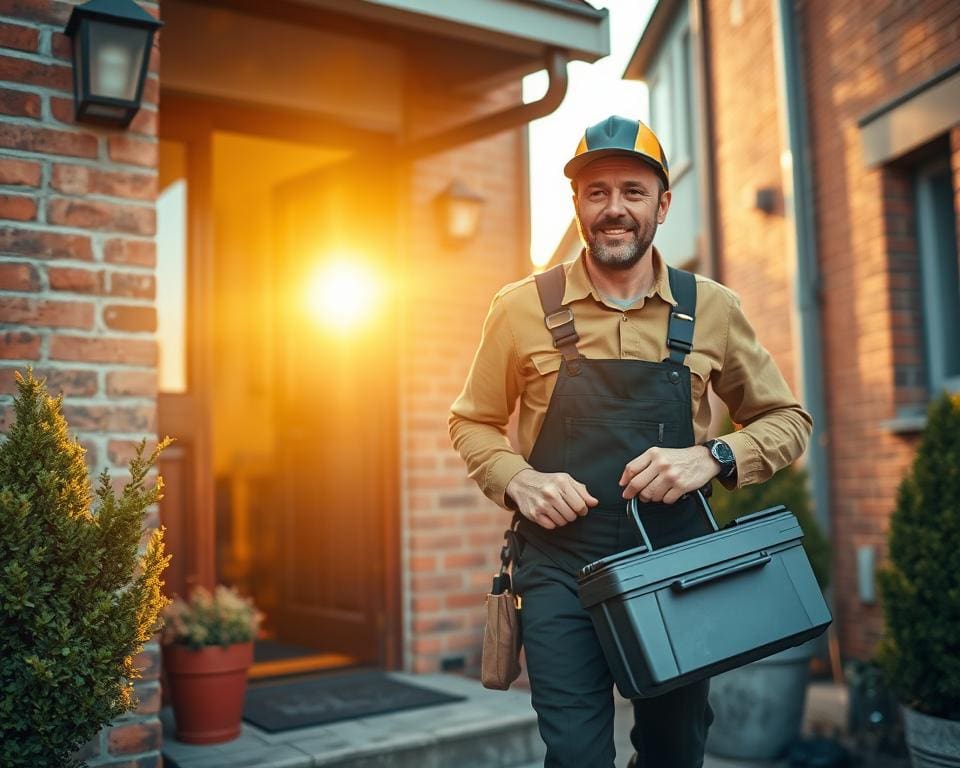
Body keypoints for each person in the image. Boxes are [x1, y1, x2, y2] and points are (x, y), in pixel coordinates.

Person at [448, 115, 813, 768]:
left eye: (633, 191)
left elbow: (788, 420)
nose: (614, 208)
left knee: (676, 752)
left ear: (663, 204)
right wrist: (517, 478)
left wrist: (713, 456)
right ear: (578, 204)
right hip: (559, 567)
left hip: (677, 565)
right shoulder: (519, 308)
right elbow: (471, 420)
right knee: (578, 757)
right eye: (597, 191)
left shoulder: (713, 310)